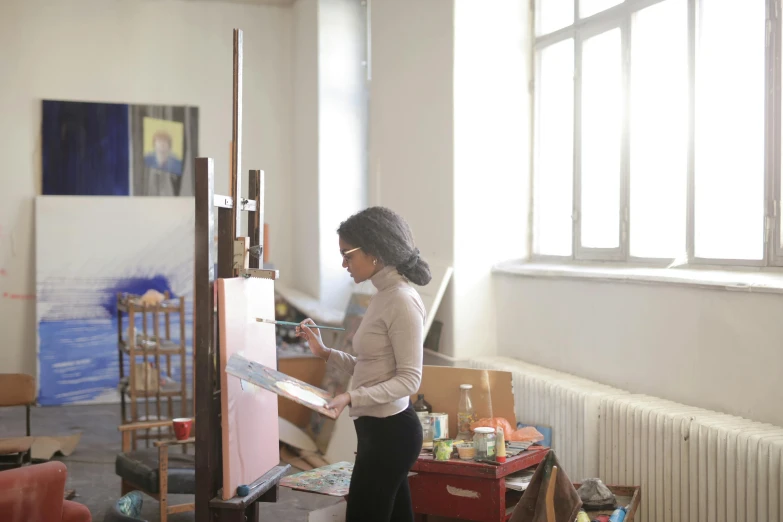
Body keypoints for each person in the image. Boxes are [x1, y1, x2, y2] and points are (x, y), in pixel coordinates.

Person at [296, 206, 431, 522]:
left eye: (348, 255)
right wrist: (325, 352)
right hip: (377, 431)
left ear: (375, 253)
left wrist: (350, 397)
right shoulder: (383, 294)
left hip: (392, 434)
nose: (343, 264)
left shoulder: (402, 299)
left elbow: (410, 380)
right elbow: (371, 366)